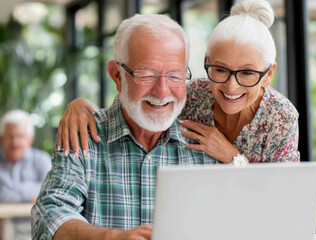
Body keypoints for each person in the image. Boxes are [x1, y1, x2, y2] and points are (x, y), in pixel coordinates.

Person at [31, 13, 216, 240]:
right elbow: (49, 216)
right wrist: (112, 237)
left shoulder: (205, 145)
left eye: (175, 76)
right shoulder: (83, 134)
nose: (163, 91)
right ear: (116, 75)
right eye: (146, 74)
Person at [57, 0, 300, 164]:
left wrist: (232, 157)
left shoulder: (281, 118)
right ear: (207, 62)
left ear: (268, 75)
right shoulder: (192, 94)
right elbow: (130, 106)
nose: (231, 86)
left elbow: (281, 197)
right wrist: (80, 105)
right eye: (220, 69)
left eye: (247, 73)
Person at [0, 109, 51, 240]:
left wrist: (6, 191)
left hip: (38, 227)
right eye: (10, 137)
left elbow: (50, 192)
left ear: (30, 139)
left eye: (20, 136)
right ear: (1, 138)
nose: (15, 142)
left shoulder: (42, 159)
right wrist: (31, 193)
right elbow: (42, 192)